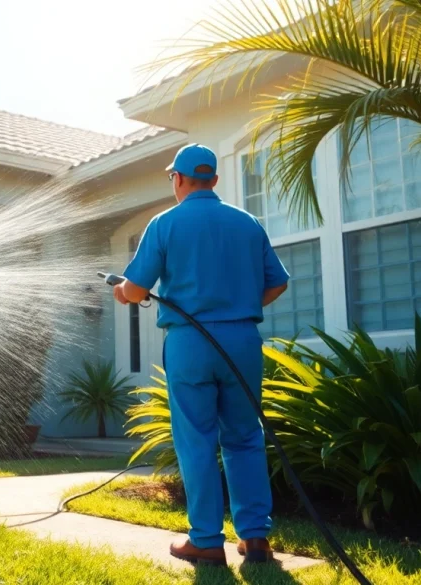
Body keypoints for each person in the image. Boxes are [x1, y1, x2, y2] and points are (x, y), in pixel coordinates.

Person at [113, 144, 289, 565]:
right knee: (245, 436)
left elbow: (136, 290)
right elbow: (278, 283)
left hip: (190, 343)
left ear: (177, 179)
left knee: (196, 440)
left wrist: (122, 291)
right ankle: (256, 539)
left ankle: (207, 540)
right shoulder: (247, 222)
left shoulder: (165, 223)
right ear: (214, 179)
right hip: (242, 341)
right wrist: (238, 307)